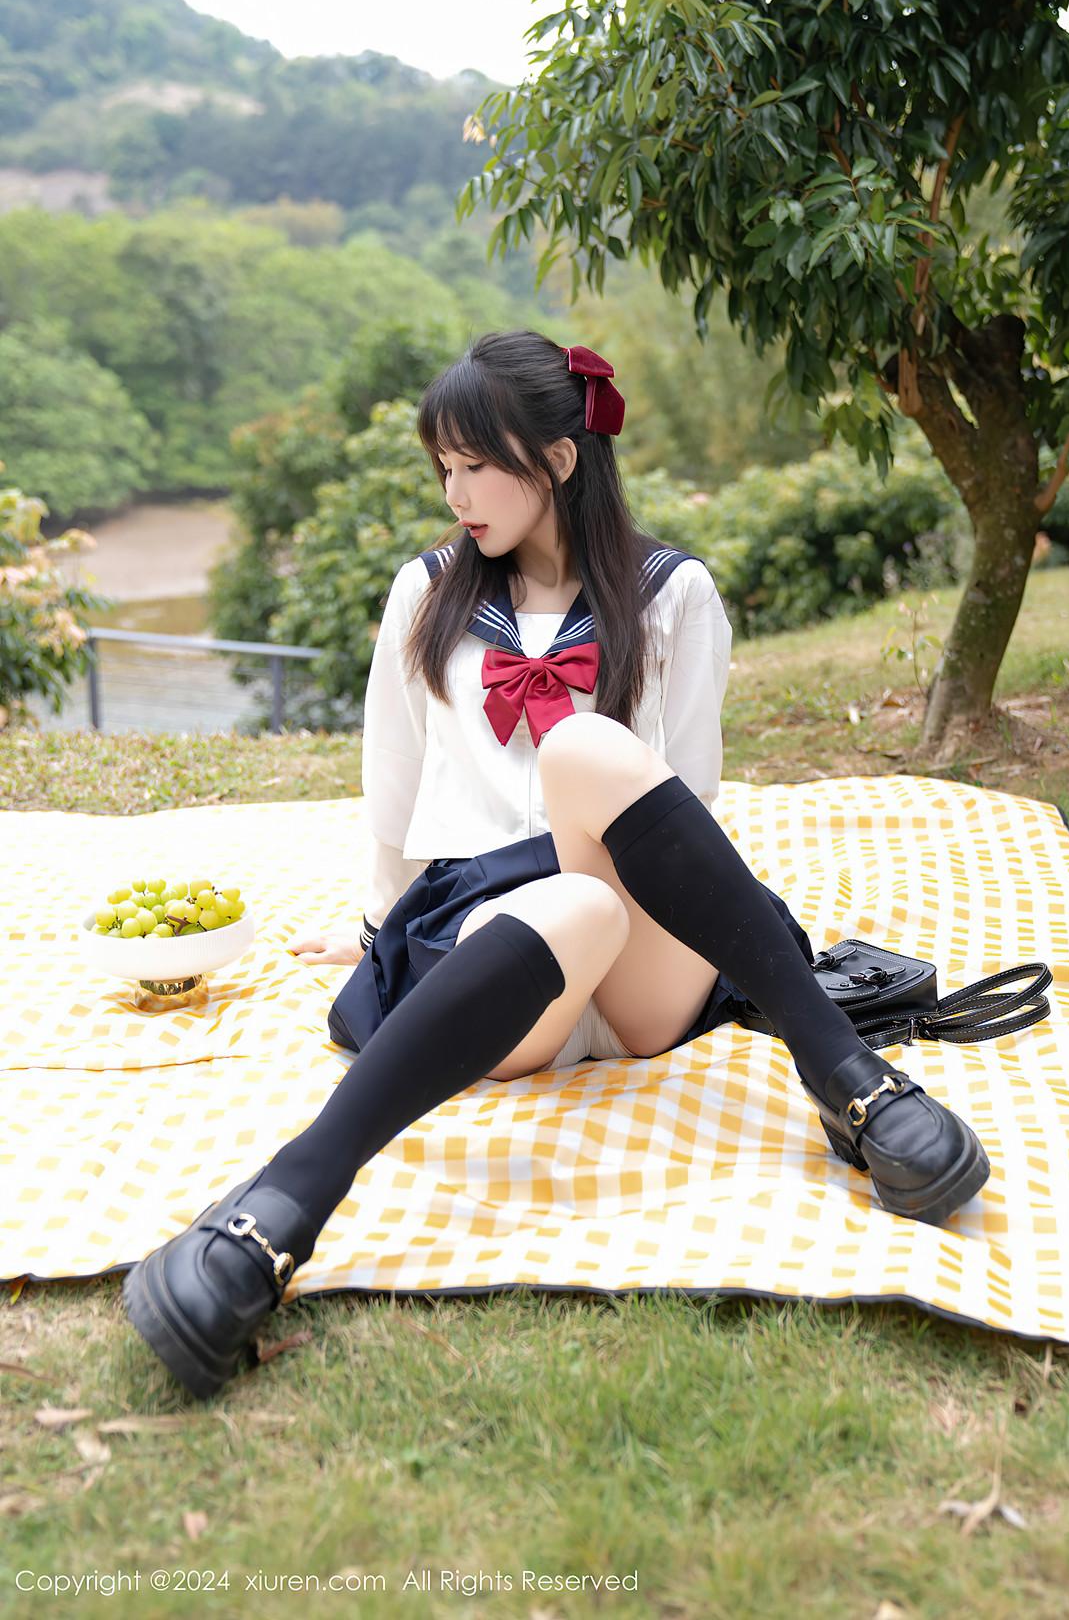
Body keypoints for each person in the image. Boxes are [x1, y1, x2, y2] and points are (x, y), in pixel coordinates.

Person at [121, 329, 989, 1400]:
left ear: (560, 459)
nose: (454, 494)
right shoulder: (426, 592)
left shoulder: (674, 594)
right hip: (503, 956)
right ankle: (282, 1204)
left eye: (474, 465)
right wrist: (376, 928)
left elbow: (684, 806)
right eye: (443, 467)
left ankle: (843, 1076)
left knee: (587, 752)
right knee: (575, 903)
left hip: (644, 977)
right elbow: (392, 785)